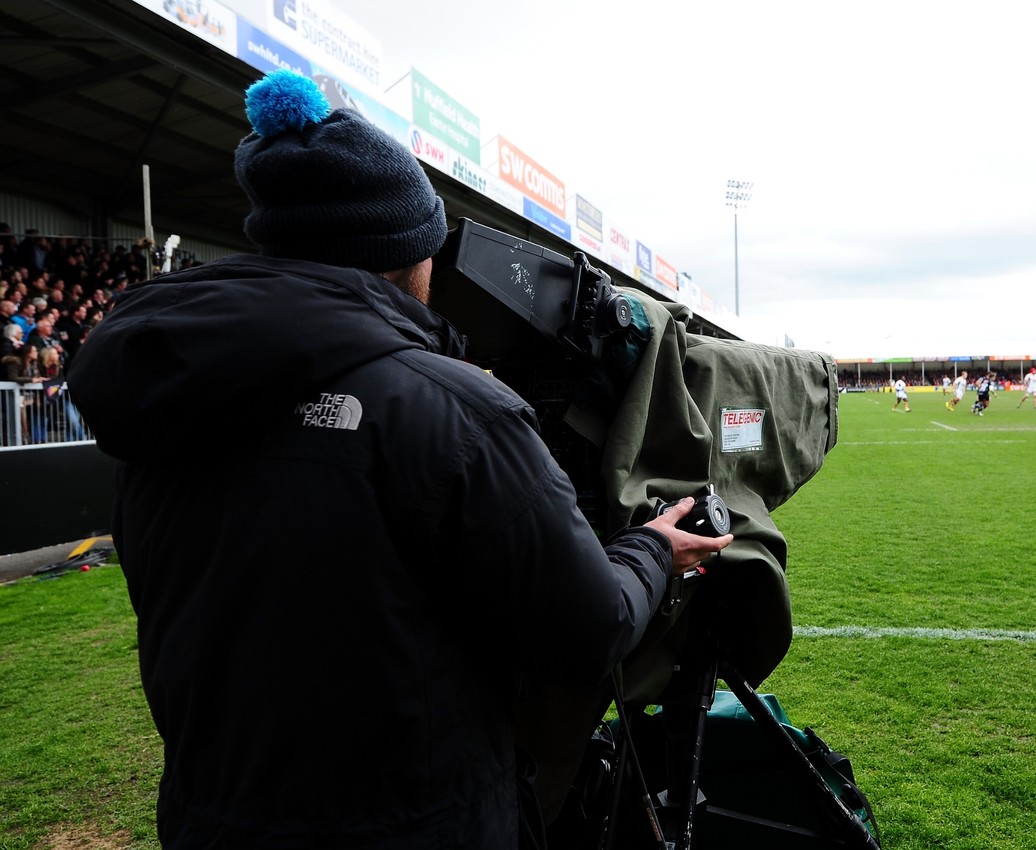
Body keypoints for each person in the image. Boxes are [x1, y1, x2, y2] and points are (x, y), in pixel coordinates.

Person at [67, 69, 731, 850]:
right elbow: (587, 631)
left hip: (210, 823)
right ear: (399, 251)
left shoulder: (166, 397)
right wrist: (653, 547)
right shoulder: (454, 412)